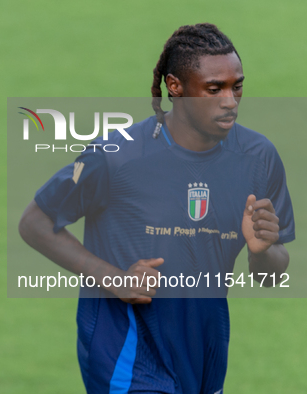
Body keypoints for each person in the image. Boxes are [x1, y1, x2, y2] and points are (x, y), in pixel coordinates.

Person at [19, 23, 294, 393]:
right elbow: (34, 222)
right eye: (214, 89)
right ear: (175, 87)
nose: (230, 100)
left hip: (204, 355)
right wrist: (115, 279)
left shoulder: (258, 159)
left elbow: (271, 275)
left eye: (237, 86)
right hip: (128, 356)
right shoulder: (117, 157)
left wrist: (263, 252)